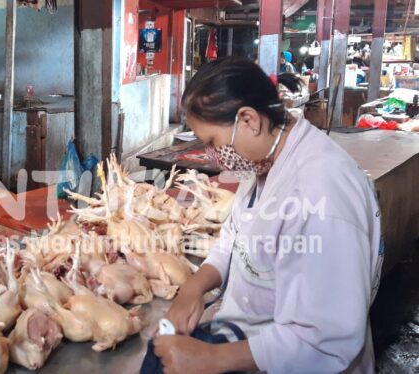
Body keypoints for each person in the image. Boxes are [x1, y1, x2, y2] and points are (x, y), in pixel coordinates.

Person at [149, 58, 383, 372]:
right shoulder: (265, 160)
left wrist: (212, 359)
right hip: (250, 340)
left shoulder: (320, 194)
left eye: (213, 143)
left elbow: (324, 339)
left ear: (248, 120)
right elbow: (234, 236)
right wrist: (194, 288)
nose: (213, 156)